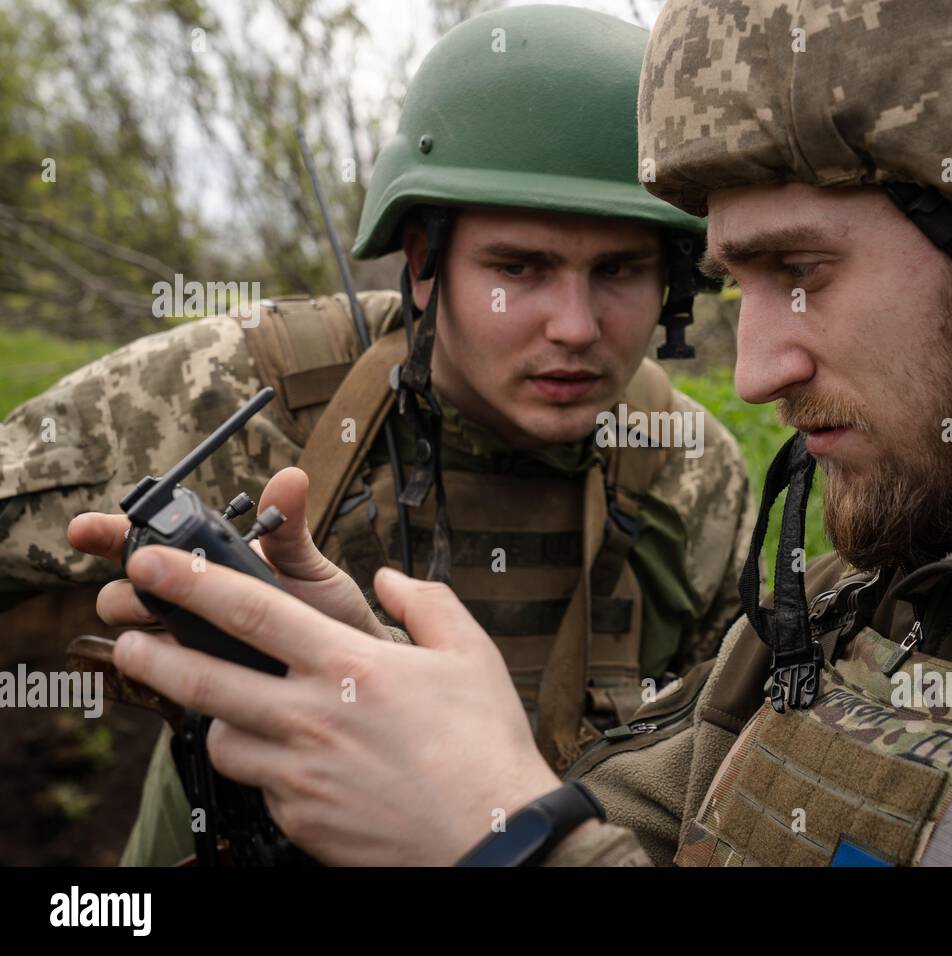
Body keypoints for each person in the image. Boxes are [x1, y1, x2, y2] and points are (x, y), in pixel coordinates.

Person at [101, 0, 952, 866]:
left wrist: (505, 840)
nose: (757, 367)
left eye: (803, 272)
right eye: (736, 281)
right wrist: (381, 712)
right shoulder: (849, 590)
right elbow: (621, 815)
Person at [3, 5, 753, 865]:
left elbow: (715, 788)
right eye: (519, 269)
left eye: (619, 270)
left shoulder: (690, 473)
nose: (575, 326)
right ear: (424, 261)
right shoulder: (240, 390)